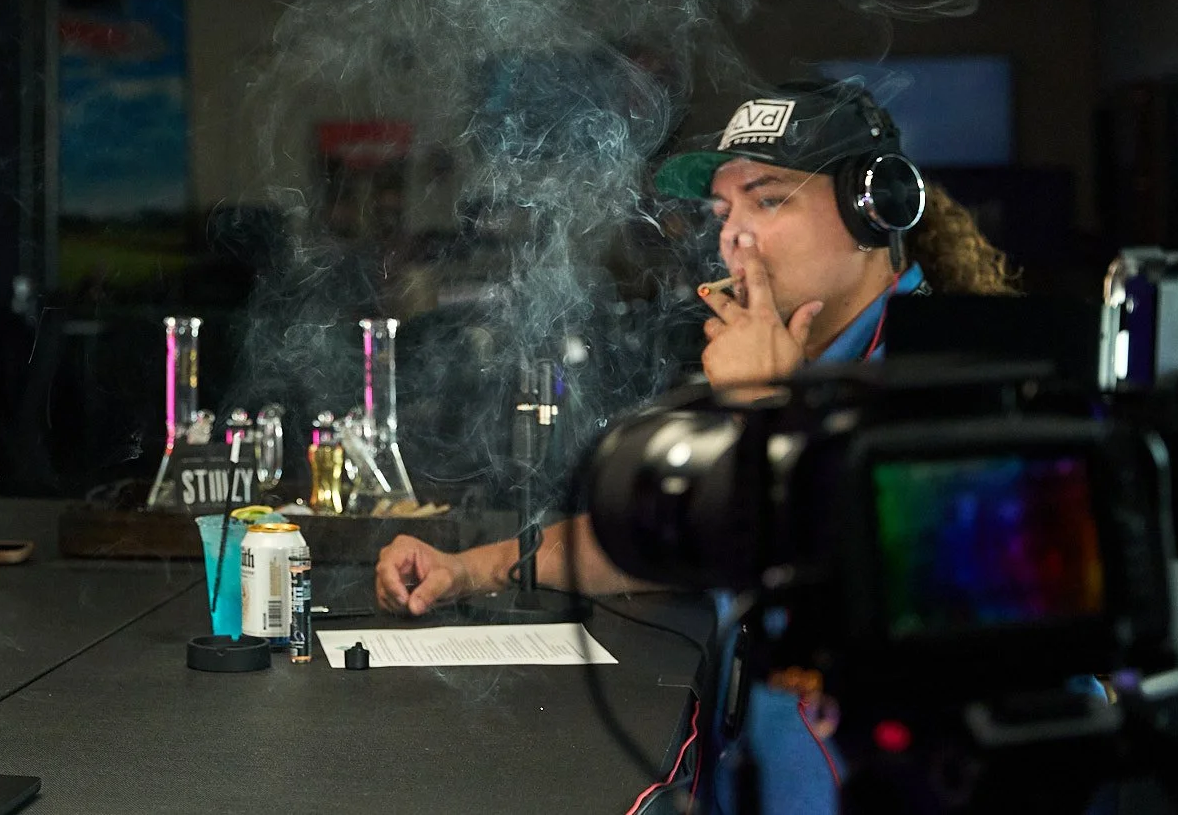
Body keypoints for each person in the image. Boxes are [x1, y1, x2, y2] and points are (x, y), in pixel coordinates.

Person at [372, 82, 1016, 809]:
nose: (732, 236)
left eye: (768, 199)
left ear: (877, 209)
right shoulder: (793, 369)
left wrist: (761, 411)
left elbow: (902, 596)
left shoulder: (959, 382)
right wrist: (468, 568)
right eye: (723, 209)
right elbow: (667, 536)